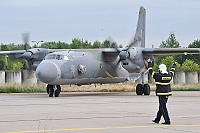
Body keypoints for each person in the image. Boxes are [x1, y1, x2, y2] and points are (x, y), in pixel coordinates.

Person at [147, 59, 176, 125]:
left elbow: (150, 71)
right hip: (167, 93)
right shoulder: (169, 75)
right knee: (162, 106)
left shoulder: (158, 76)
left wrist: (149, 63)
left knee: (163, 107)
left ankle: (167, 120)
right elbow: (172, 71)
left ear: (160, 69)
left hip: (161, 93)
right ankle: (157, 119)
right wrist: (174, 65)